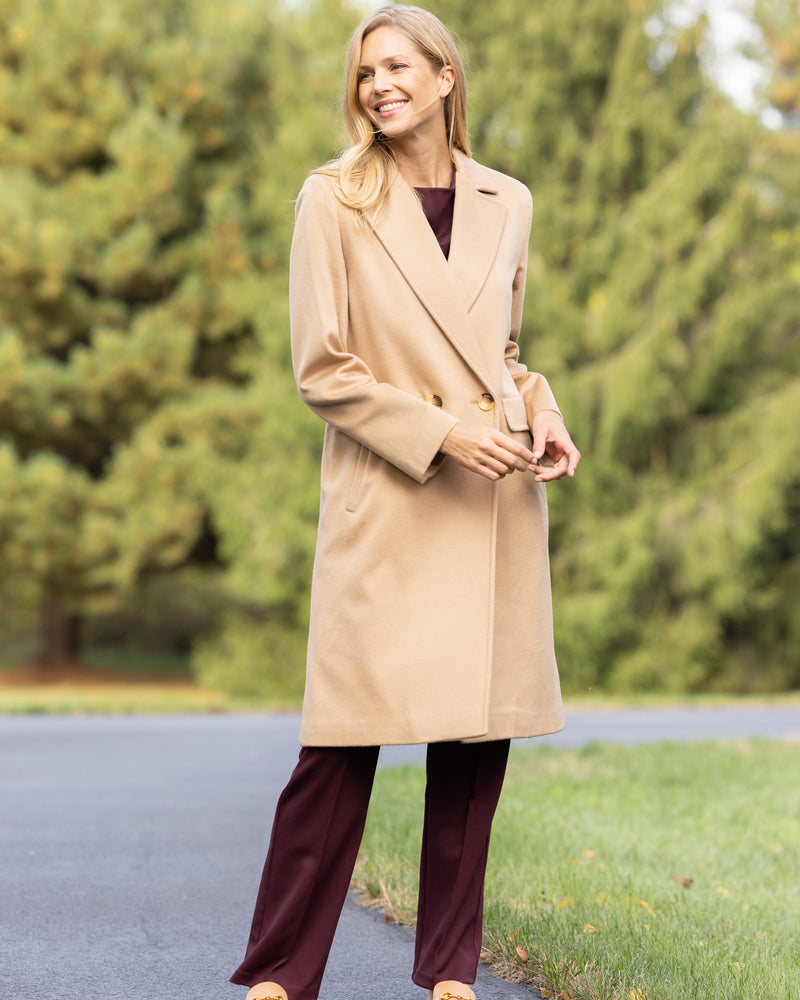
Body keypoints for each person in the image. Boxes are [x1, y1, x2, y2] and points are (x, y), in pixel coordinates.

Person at [230, 6, 580, 1000]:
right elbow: (322, 369)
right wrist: (438, 434)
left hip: (492, 499)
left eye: (395, 66)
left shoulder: (506, 199)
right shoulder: (331, 199)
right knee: (340, 741)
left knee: (472, 747)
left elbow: (500, 354)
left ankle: (449, 972)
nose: (377, 83)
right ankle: (279, 972)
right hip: (392, 493)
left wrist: (539, 413)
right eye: (363, 71)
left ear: (442, 78)